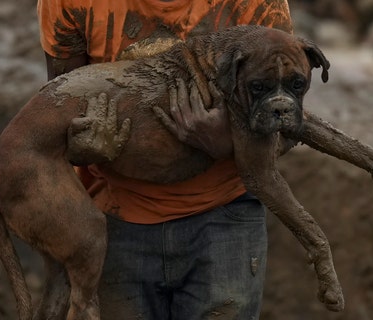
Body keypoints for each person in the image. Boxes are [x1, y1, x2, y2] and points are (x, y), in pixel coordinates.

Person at [38, 1, 293, 318]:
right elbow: (59, 112)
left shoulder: (256, 4)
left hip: (225, 217)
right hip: (112, 217)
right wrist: (84, 144)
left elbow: (286, 124)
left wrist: (227, 143)